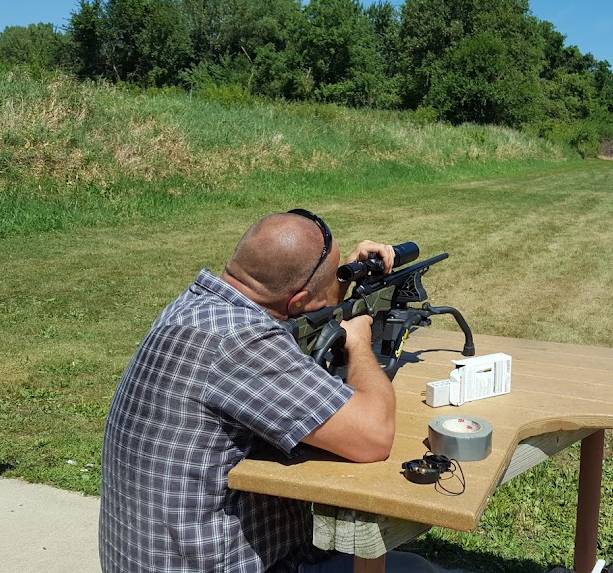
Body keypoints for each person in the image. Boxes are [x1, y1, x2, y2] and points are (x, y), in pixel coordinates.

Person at [99, 209, 435, 573]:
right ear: (298, 300)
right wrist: (359, 344)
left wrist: (336, 279)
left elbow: (299, 310)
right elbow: (373, 436)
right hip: (209, 564)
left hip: (147, 558)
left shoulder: (199, 307)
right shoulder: (245, 342)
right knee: (416, 569)